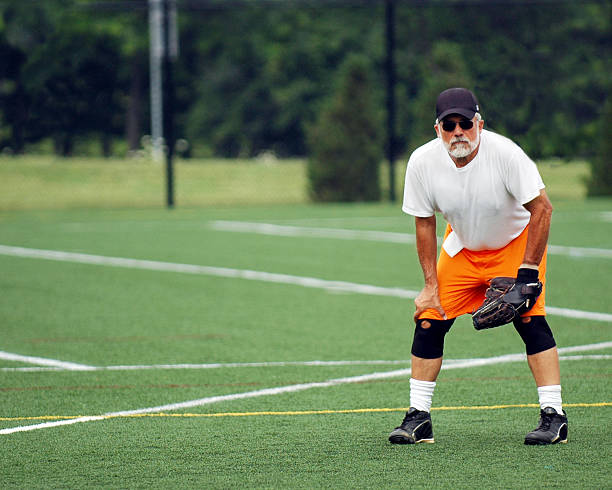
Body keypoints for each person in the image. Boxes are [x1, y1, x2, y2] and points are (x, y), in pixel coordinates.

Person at [388, 88, 568, 446]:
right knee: (429, 317)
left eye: (465, 123)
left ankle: (554, 416)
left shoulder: (505, 154)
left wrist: (528, 273)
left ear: (479, 124)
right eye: (449, 124)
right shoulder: (422, 162)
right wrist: (429, 284)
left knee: (531, 319)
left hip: (514, 245)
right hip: (464, 248)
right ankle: (418, 418)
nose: (459, 132)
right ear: (437, 129)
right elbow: (424, 223)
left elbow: (543, 209)